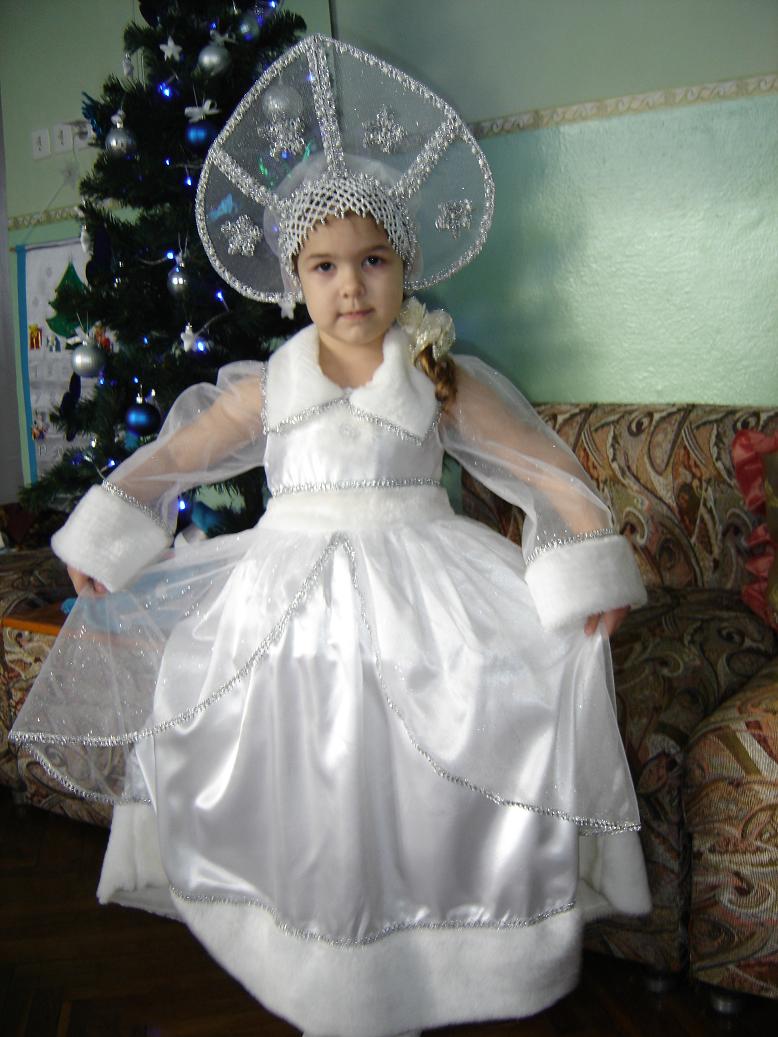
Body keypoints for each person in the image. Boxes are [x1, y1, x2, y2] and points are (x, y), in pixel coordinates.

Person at [12, 35, 650, 1037]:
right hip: (287, 585)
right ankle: (312, 953)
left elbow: (539, 468)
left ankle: (450, 949)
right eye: (325, 267)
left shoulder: (437, 373)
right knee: (291, 748)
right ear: (294, 281)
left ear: (403, 269)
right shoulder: (274, 384)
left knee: (458, 721)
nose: (351, 287)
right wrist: (110, 527)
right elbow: (179, 456)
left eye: (372, 262)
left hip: (424, 576)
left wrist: (588, 565)